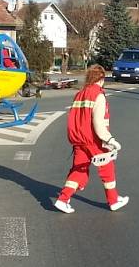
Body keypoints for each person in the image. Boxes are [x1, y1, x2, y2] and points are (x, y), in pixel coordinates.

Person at [54, 65, 128, 214]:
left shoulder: (80, 94)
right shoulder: (98, 95)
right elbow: (98, 124)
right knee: (107, 168)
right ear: (101, 79)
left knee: (79, 170)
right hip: (93, 140)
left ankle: (63, 199)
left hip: (78, 140)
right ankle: (113, 200)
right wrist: (111, 140)